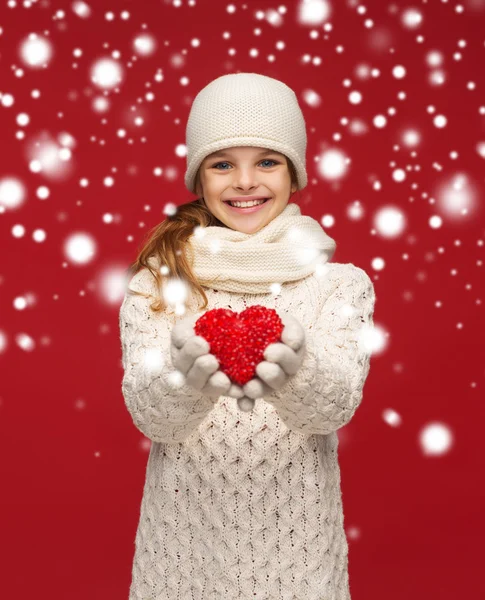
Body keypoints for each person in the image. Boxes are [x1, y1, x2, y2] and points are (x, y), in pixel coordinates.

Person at [119, 72, 376, 600]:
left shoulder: (341, 286)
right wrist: (186, 377)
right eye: (222, 164)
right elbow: (151, 417)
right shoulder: (161, 281)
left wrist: (296, 369)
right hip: (183, 553)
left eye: (266, 161)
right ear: (199, 178)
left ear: (294, 173)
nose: (244, 181)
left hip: (298, 557)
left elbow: (333, 409)